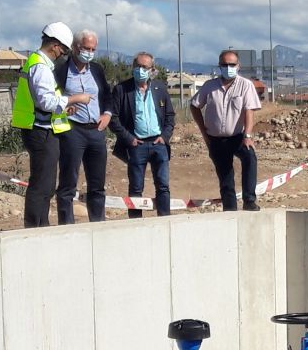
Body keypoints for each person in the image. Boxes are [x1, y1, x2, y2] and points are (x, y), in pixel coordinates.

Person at [13, 22, 92, 228]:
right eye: (64, 50)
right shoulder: (40, 66)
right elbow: (46, 102)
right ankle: (36, 227)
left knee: (46, 185)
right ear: (55, 45)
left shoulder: (40, 64)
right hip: (39, 132)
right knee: (42, 185)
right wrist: (75, 99)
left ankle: (41, 225)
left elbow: (47, 102)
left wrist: (64, 108)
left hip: (43, 128)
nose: (62, 54)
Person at [190, 49, 263, 211]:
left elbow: (249, 110)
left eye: (232, 64)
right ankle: (230, 210)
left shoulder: (246, 85)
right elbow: (195, 105)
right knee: (225, 177)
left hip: (238, 136)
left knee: (250, 157)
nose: (228, 67)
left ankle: (249, 200)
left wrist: (248, 135)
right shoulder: (210, 86)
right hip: (216, 139)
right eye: (225, 64)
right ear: (219, 66)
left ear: (238, 66)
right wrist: (204, 132)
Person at [53, 29, 113, 224]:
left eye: (93, 49)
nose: (89, 52)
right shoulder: (61, 71)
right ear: (75, 47)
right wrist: (63, 110)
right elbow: (51, 99)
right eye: (86, 48)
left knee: (97, 184)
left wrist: (107, 114)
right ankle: (67, 226)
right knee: (68, 183)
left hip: (96, 130)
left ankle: (98, 224)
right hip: (72, 131)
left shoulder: (96, 69)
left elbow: (107, 95)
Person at [112, 51, 177, 218]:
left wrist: (165, 136)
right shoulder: (122, 89)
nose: (140, 70)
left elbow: (170, 116)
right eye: (138, 66)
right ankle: (135, 223)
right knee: (135, 188)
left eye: (145, 67)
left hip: (158, 144)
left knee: (163, 186)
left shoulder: (160, 88)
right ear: (133, 67)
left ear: (152, 70)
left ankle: (164, 219)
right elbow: (113, 118)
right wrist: (129, 139)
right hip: (136, 145)